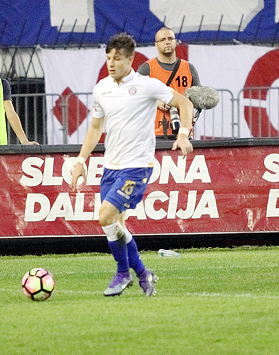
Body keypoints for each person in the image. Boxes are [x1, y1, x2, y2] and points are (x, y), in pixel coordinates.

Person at [70, 32, 194, 297]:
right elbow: (94, 128)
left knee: (104, 215)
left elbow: (184, 102)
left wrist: (182, 134)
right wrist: (81, 160)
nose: (111, 63)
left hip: (137, 166)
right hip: (110, 168)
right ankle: (143, 274)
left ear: (130, 60)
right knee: (116, 225)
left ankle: (122, 273)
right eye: (108, 58)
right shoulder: (101, 88)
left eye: (117, 58)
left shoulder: (147, 85)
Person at [137, 26, 202, 137]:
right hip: (155, 134)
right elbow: (134, 95)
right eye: (162, 40)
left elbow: (199, 99)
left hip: (183, 133)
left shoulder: (188, 68)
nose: (167, 42)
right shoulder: (147, 68)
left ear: (175, 42)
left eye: (170, 39)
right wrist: (156, 101)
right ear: (156, 45)